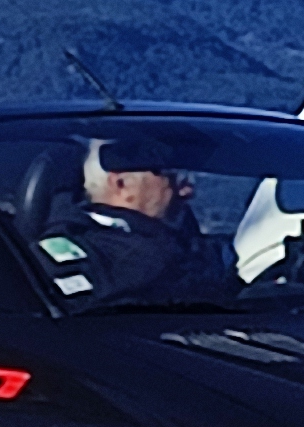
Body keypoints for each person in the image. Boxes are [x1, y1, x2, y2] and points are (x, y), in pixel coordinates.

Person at [32, 130, 213, 304]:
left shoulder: (189, 245)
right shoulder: (85, 260)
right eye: (175, 178)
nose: (188, 191)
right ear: (121, 184)